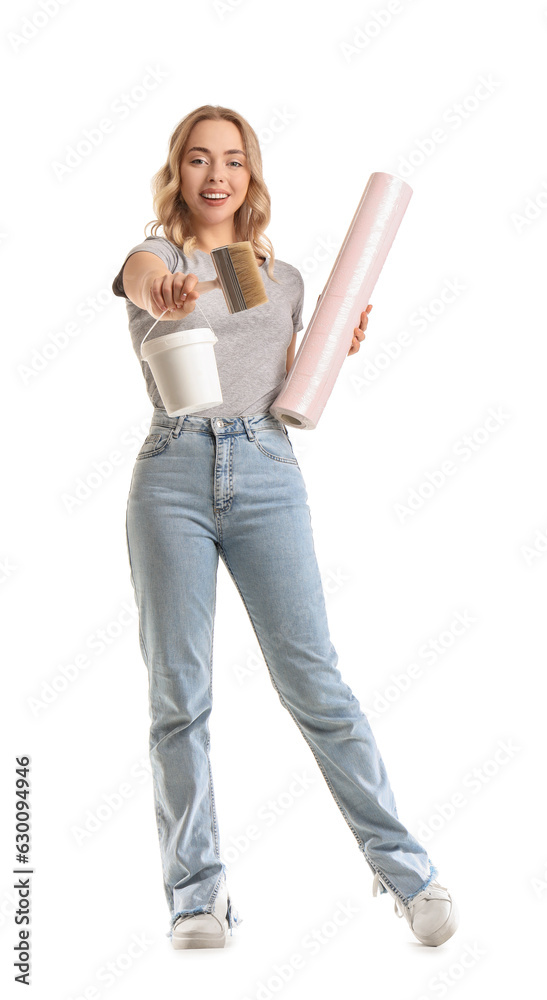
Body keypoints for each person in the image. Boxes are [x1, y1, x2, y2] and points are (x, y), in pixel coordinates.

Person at [112, 104, 458, 951]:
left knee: (317, 687)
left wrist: (332, 347)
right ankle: (197, 898)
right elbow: (140, 280)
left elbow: (269, 367)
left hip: (266, 472)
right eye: (198, 159)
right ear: (178, 173)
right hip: (172, 477)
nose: (216, 174)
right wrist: (164, 291)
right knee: (178, 697)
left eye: (233, 159)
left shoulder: (276, 276)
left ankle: (405, 871)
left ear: (251, 175)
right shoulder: (157, 258)